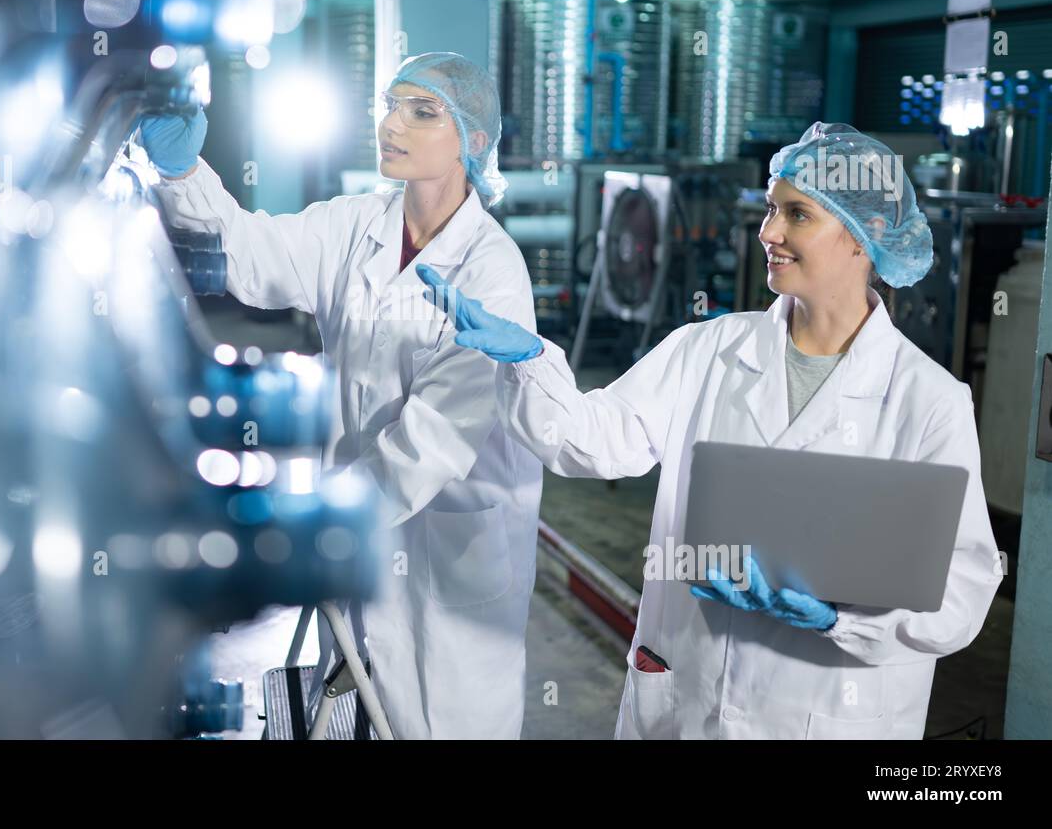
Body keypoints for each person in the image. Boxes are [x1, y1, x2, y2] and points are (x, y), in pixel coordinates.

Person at [418, 122, 1002, 739]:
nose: (768, 232)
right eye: (772, 209)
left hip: (827, 714)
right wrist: (530, 362)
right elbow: (597, 440)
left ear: (869, 236)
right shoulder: (709, 349)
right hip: (686, 702)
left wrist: (838, 619)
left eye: (797, 215)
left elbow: (960, 589)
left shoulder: (929, 400)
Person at [139, 53, 543, 739]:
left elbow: (435, 440)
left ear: (474, 142)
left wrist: (319, 525)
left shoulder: (493, 271)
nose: (392, 125)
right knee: (354, 714)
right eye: (389, 106)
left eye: (422, 112)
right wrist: (180, 169)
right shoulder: (356, 226)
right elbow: (249, 252)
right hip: (366, 553)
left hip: (449, 571)